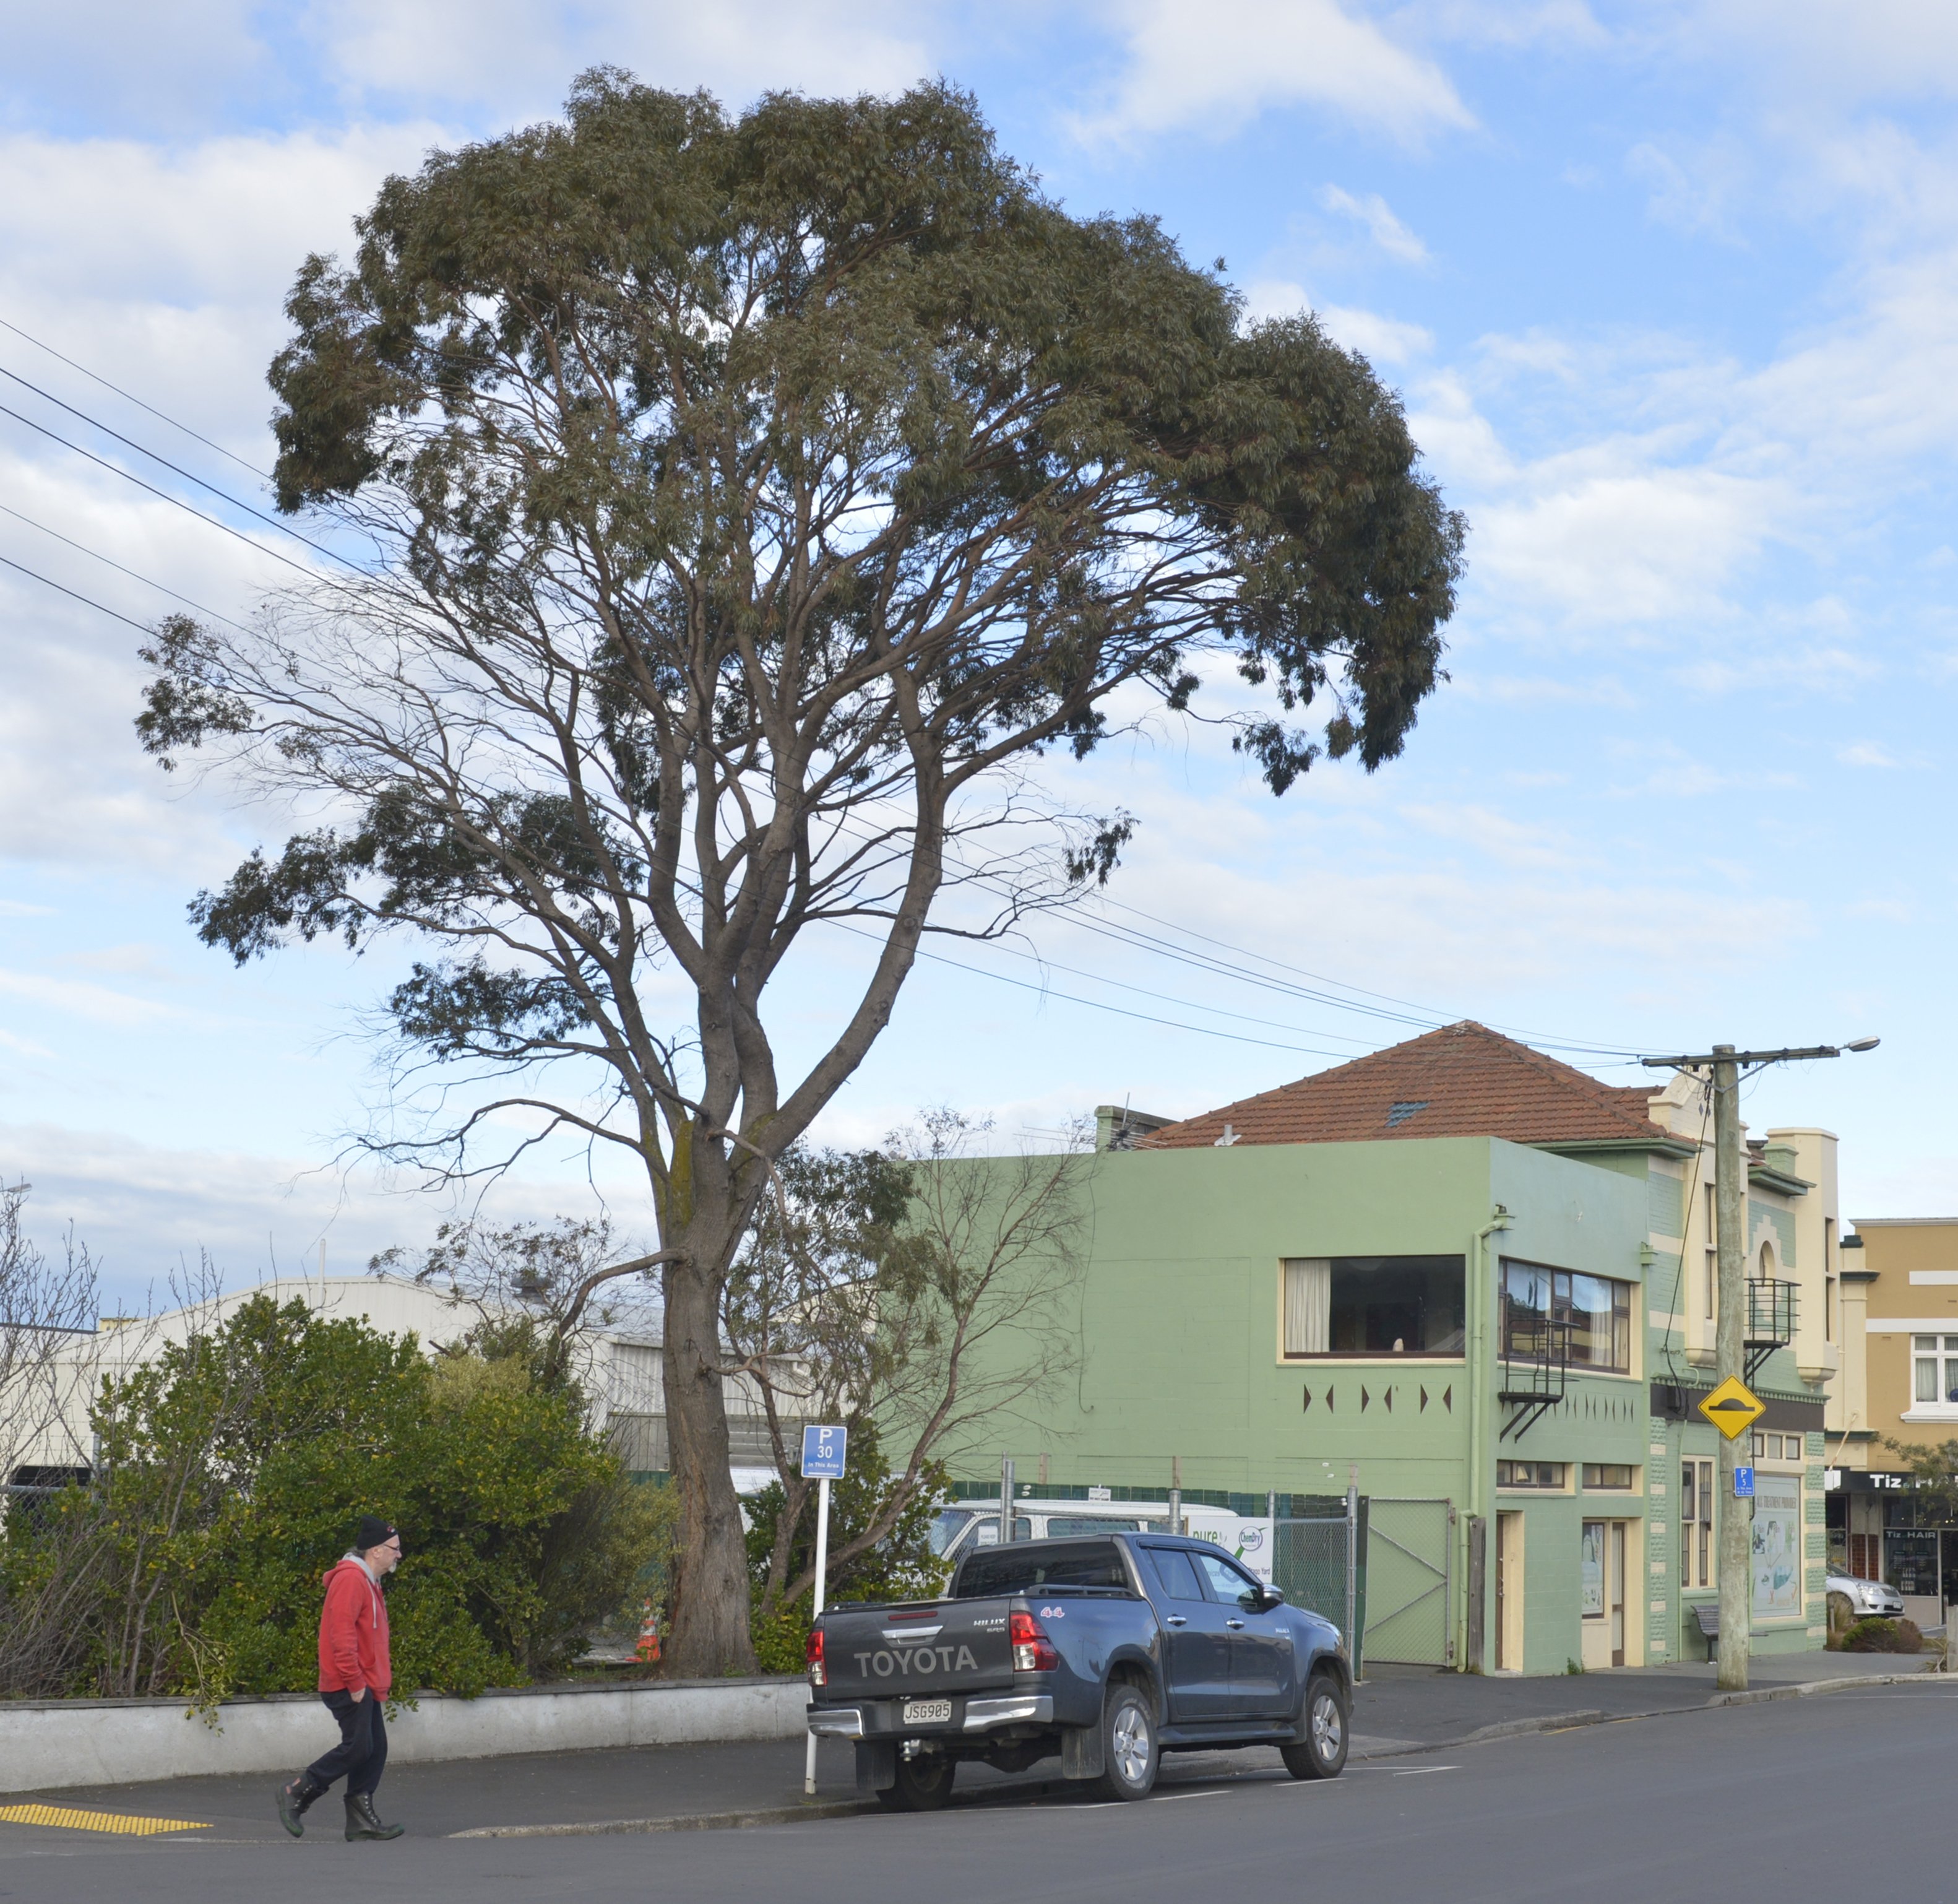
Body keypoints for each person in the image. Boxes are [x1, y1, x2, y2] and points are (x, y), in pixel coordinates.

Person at [277, 1515, 407, 1841]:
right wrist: (355, 1682)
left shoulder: (369, 1581)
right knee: (358, 1748)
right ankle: (297, 1792)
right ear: (376, 1551)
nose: (398, 1555)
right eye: (395, 1548)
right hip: (349, 1683)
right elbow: (341, 1636)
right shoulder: (351, 1580)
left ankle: (361, 1821)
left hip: (366, 1683)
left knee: (374, 1750)